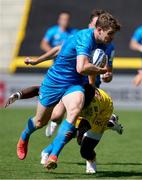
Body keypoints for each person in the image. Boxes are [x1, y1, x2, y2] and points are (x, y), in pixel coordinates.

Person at [15, 12, 120, 164]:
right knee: (40, 122)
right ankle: (24, 136)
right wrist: (37, 61)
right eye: (110, 33)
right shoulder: (84, 37)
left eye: (113, 34)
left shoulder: (108, 45)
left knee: (74, 110)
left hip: (75, 83)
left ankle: (53, 156)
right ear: (99, 30)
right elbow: (81, 67)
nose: (111, 37)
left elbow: (103, 70)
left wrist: (106, 74)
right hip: (56, 80)